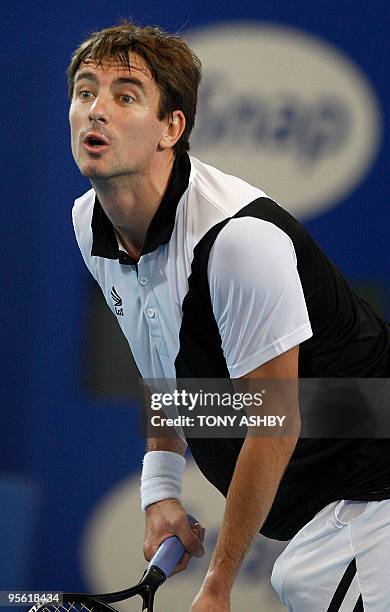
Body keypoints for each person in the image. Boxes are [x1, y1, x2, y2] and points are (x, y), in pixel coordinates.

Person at [68, 22, 390, 611]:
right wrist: (160, 489)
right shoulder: (90, 224)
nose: (96, 111)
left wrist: (217, 585)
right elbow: (166, 368)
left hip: (372, 498)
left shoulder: (239, 242)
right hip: (323, 514)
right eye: (86, 92)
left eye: (125, 96)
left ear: (172, 128)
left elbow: (276, 422)